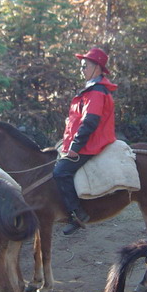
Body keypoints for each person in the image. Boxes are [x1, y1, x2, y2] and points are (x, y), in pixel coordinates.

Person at [53, 47, 117, 235]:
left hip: (91, 143)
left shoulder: (96, 92)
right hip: (85, 141)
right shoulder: (92, 89)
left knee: (60, 172)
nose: (81, 69)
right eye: (81, 66)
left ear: (97, 67)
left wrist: (75, 147)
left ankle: (77, 214)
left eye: (85, 66)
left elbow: (90, 122)